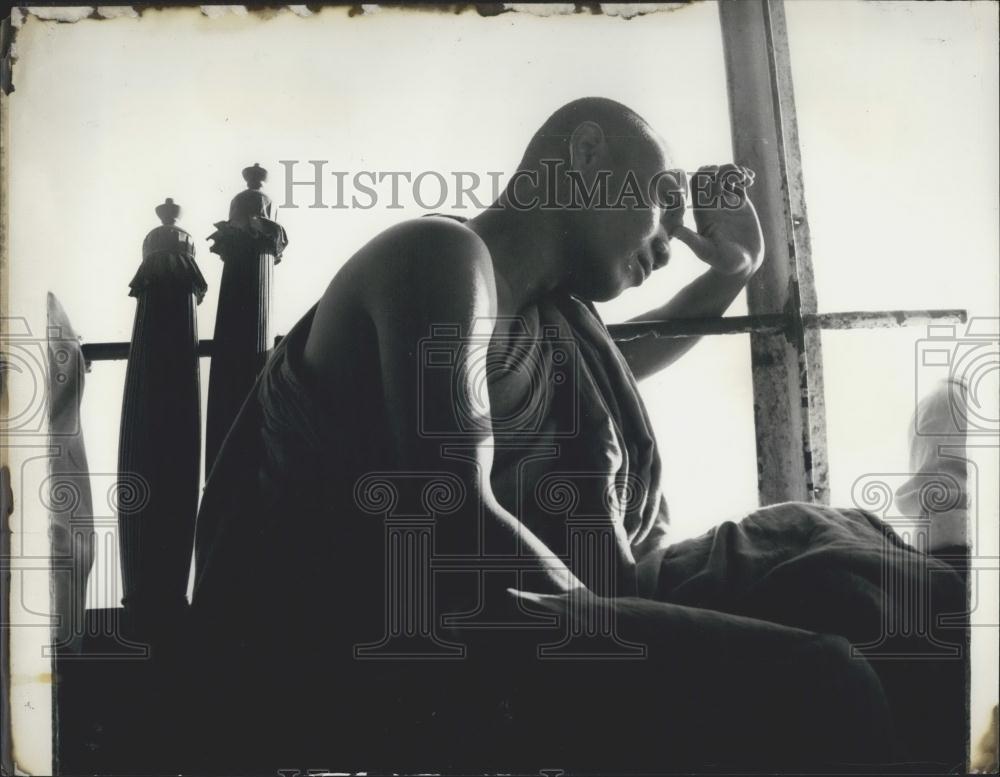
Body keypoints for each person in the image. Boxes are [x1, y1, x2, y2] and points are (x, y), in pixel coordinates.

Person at [189, 98, 966, 772]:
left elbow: (626, 358)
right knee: (830, 678)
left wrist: (734, 271)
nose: (670, 241)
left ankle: (948, 552)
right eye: (663, 202)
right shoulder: (438, 256)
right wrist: (625, 624)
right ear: (587, 153)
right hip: (381, 632)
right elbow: (456, 510)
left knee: (854, 568)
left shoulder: (544, 322)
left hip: (550, 594)